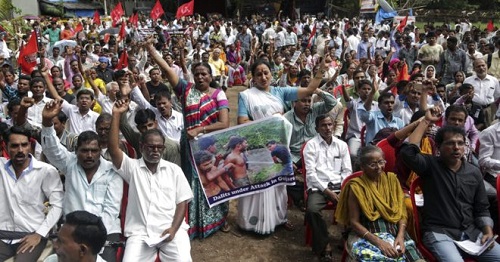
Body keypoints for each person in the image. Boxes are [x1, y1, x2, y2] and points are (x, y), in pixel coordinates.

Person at [143, 37, 230, 239]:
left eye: (204, 74)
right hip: (189, 146)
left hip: (209, 145)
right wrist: (151, 49)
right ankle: (193, 221)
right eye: (197, 74)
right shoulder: (186, 89)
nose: (200, 77)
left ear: (211, 76)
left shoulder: (219, 94)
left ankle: (218, 219)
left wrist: (200, 129)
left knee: (214, 179)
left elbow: (224, 123)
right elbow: (166, 69)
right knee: (192, 183)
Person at [236, 59, 326, 234]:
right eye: (259, 74)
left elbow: (309, 90)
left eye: (266, 72)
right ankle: (252, 222)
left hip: (279, 145)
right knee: (259, 180)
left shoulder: (281, 92)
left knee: (278, 184)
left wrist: (321, 72)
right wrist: (272, 121)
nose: (263, 77)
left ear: (272, 74)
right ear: (253, 77)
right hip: (257, 147)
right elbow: (243, 121)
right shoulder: (246, 95)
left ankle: (278, 218)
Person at [400, 108, 500, 261]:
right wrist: (425, 121)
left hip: (471, 232)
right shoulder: (430, 166)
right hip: (439, 233)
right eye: (450, 143)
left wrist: (488, 232)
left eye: (460, 143)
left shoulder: (473, 172)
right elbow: (408, 153)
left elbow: (482, 208)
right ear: (438, 147)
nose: (456, 147)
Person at [109, 99, 193, 261]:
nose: (155, 150)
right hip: (140, 234)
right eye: (151, 147)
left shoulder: (174, 170)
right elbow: (113, 150)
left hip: (171, 231)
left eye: (159, 147)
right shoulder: (132, 168)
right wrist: (116, 114)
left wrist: (174, 229)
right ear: (141, 147)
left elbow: (182, 202)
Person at [41, 100, 123, 262]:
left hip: (105, 231)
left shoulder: (112, 171)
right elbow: (51, 149)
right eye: (84, 151)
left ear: (101, 151)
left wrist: (91, 236)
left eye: (94, 151)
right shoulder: (69, 163)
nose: (89, 155)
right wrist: (47, 122)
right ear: (76, 151)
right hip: (71, 230)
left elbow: (111, 211)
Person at [335, 145, 424, 261]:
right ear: (362, 167)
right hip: (366, 235)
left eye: (381, 162)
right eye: (373, 164)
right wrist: (379, 243)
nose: (379, 167)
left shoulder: (392, 180)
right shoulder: (356, 187)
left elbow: (402, 213)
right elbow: (354, 222)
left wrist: (401, 236)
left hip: (395, 232)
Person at [0, 126, 64, 261]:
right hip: (2, 236)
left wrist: (39, 234)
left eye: (24, 145)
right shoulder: (1, 168)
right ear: (5, 147)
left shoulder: (46, 171)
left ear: (30, 145)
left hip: (31, 236)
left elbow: (57, 205)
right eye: (15, 146)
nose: (20, 150)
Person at [304, 114, 352, 260]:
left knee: (357, 204)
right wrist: (327, 191)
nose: (327, 128)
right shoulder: (311, 145)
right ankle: (325, 244)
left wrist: (343, 189)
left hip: (339, 185)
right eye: (323, 125)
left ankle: (348, 237)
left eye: (330, 124)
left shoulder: (341, 145)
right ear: (317, 128)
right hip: (319, 187)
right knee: (312, 210)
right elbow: (311, 174)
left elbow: (347, 171)